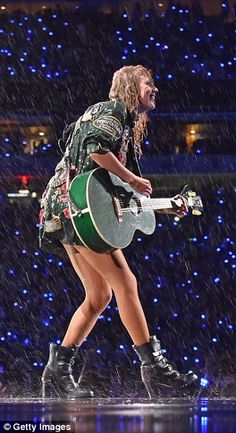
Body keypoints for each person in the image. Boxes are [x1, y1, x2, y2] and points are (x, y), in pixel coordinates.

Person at [39, 65, 198, 399]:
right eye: (148, 83)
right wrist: (131, 178)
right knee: (126, 283)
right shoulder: (112, 111)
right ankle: (155, 371)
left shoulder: (123, 124)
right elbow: (96, 149)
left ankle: (57, 371)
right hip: (74, 206)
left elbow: (124, 196)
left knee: (100, 297)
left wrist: (165, 205)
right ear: (129, 87)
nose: (154, 88)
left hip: (70, 208)